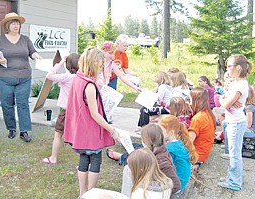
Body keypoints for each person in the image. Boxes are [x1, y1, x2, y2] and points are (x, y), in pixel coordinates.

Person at [63, 47, 120, 198]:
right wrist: (112, 130)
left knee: (83, 159)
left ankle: (82, 192)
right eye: (100, 65)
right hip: (90, 131)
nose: (102, 68)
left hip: (80, 130)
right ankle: (90, 192)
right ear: (93, 64)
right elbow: (94, 114)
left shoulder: (78, 78)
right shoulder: (89, 85)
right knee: (95, 160)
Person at [0, 12, 42, 142]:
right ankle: (11, 128)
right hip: (4, 78)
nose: (16, 25)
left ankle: (24, 131)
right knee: (7, 104)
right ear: (7, 25)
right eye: (13, 23)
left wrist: (35, 55)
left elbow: (32, 52)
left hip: (24, 77)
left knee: (23, 104)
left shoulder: (25, 39)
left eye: (17, 23)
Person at [218, 54, 252, 191]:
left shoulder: (241, 85)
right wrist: (226, 97)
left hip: (236, 123)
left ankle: (235, 182)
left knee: (235, 154)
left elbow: (225, 104)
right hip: (233, 121)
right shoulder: (236, 83)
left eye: (230, 66)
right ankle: (231, 176)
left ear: (238, 68)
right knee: (233, 152)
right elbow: (227, 97)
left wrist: (222, 99)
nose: (228, 69)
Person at [121, 124, 181, 197]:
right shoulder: (159, 152)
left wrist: (156, 194)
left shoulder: (162, 161)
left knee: (128, 169)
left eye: (142, 140)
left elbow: (176, 184)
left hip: (154, 190)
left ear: (147, 141)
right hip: (151, 186)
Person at [41, 53, 80, 165]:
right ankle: (84, 162)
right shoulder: (82, 77)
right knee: (78, 136)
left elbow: (50, 75)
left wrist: (61, 62)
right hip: (78, 111)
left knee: (58, 134)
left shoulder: (66, 77)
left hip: (67, 111)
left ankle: (53, 158)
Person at [158, 115, 198, 197]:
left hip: (176, 185)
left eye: (161, 130)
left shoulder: (169, 149)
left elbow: (163, 168)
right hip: (183, 181)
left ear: (171, 132)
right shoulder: (180, 143)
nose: (159, 133)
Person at [188, 87, 216, 164]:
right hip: (204, 152)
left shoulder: (198, 118)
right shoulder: (208, 113)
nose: (189, 102)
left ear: (195, 100)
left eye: (190, 99)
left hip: (197, 155)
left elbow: (188, 142)